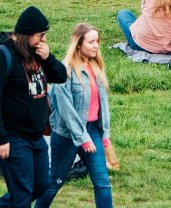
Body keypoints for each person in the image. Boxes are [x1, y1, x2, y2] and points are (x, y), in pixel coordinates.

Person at [0, 6, 68, 208]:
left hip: (35, 136)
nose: (43, 40)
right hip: (11, 136)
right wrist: (0, 139)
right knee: (22, 194)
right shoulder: (1, 58)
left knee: (40, 186)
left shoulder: (36, 54)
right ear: (26, 34)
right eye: (40, 36)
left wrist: (48, 57)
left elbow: (61, 76)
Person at [37, 24, 114, 208]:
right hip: (67, 134)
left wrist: (105, 135)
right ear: (78, 44)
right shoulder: (65, 71)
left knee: (103, 183)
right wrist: (82, 138)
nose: (96, 46)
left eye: (97, 41)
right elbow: (65, 110)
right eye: (91, 42)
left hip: (92, 130)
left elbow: (102, 105)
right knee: (54, 183)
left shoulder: (96, 68)